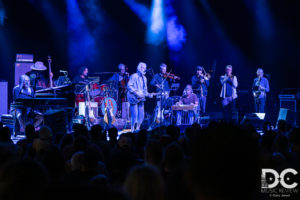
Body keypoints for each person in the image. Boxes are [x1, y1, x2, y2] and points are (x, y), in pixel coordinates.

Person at [127, 62, 154, 132]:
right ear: (139, 68)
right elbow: (129, 86)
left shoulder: (144, 78)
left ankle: (138, 128)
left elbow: (145, 91)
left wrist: (149, 94)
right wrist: (136, 93)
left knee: (141, 115)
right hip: (133, 97)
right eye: (142, 68)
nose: (144, 69)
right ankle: (132, 128)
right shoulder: (134, 76)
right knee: (134, 115)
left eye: (145, 68)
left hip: (141, 98)